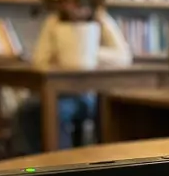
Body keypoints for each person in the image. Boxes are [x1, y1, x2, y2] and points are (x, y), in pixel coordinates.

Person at [12, 9, 133, 154]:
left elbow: (123, 56)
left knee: (59, 111)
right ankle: (28, 167)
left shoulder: (101, 19)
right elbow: (40, 60)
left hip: (93, 94)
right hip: (59, 92)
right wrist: (64, 55)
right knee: (27, 110)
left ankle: (63, 165)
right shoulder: (54, 21)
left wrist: (86, 52)